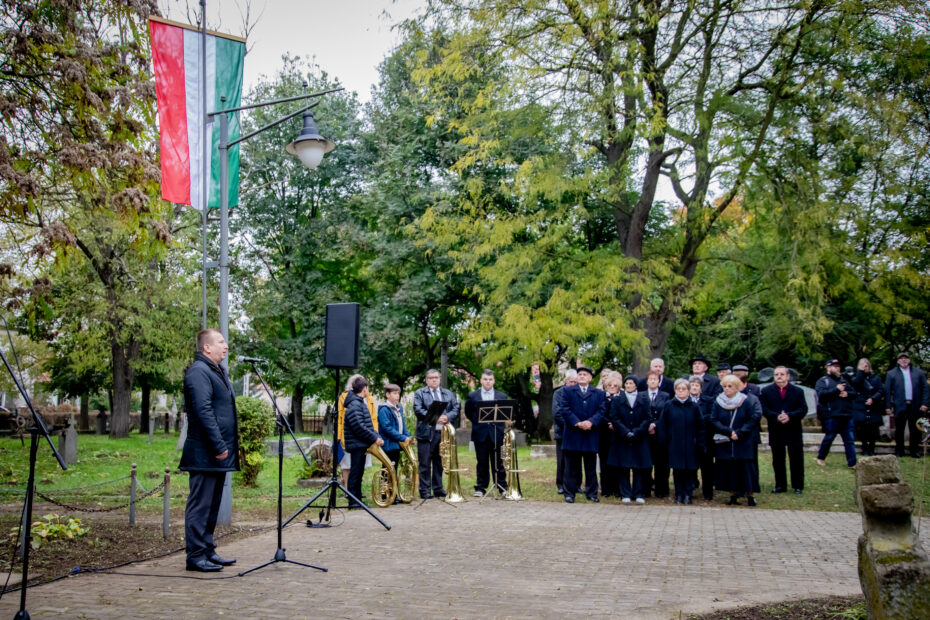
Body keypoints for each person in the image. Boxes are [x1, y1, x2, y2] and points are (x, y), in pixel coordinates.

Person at [180, 329, 240, 572]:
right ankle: (195, 556)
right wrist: (218, 445)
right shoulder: (198, 372)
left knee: (213, 503)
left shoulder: (217, 371)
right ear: (206, 348)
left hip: (218, 453)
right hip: (205, 453)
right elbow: (203, 411)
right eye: (221, 342)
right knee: (201, 504)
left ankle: (207, 549)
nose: (226, 346)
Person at [711, 374, 760, 506]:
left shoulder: (745, 401)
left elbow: (753, 419)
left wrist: (740, 432)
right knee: (730, 469)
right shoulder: (718, 402)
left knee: (745, 468)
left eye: (730, 386)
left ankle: (750, 495)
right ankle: (733, 495)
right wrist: (728, 431)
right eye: (725, 386)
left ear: (737, 388)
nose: (727, 389)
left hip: (743, 440)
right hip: (726, 440)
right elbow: (714, 419)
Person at [561, 365, 607, 503]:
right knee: (571, 468)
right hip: (573, 434)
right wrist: (577, 422)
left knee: (590, 467)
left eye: (585, 375)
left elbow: (602, 410)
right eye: (580, 374)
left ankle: (591, 493)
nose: (582, 376)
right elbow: (564, 409)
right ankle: (569, 493)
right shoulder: (567, 391)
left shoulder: (598, 393)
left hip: (590, 435)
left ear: (590, 378)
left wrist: (591, 422)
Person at [413, 369, 460, 499]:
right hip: (426, 434)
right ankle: (425, 490)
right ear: (427, 380)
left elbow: (456, 408)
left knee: (439, 462)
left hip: (442, 433)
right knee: (425, 463)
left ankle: (438, 488)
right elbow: (418, 409)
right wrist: (435, 418)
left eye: (436, 377)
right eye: (431, 378)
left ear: (439, 379)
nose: (434, 380)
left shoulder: (447, 393)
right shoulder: (420, 393)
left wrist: (448, 417)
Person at [759, 366, 806, 494]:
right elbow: (764, 409)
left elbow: (803, 409)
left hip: (793, 428)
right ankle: (780, 485)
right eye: (776, 374)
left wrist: (789, 416)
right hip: (776, 429)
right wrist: (776, 416)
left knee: (796, 458)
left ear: (788, 376)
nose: (779, 377)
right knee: (778, 459)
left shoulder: (798, 391)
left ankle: (798, 485)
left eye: (781, 374)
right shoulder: (766, 391)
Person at [657, 379, 705, 504]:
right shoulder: (668, 405)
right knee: (677, 470)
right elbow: (662, 424)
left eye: (684, 389)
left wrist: (700, 443)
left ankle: (688, 494)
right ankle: (679, 494)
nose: (681, 391)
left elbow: (700, 426)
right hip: (674, 444)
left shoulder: (694, 407)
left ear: (689, 391)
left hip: (690, 444)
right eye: (679, 389)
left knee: (689, 470)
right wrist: (664, 442)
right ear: (675, 391)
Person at [606, 374, 651, 503]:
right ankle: (625, 493)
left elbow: (648, 417)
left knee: (638, 466)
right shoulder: (618, 399)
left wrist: (637, 432)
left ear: (636, 385)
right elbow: (614, 417)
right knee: (623, 466)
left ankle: (638, 493)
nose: (628, 386)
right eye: (626, 383)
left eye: (631, 383)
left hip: (639, 438)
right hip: (622, 437)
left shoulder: (644, 398)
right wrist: (625, 432)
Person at [465, 369, 509, 497]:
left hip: (497, 433)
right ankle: (481, 487)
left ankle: (502, 486)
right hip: (480, 433)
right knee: (482, 461)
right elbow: (469, 412)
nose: (488, 382)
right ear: (481, 380)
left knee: (499, 461)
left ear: (494, 381)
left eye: (490, 379)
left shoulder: (502, 396)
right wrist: (478, 422)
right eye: (485, 379)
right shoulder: (473, 396)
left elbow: (504, 413)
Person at [343, 376, 383, 509]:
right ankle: (353, 501)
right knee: (355, 473)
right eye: (368, 388)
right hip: (357, 445)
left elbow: (367, 424)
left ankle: (357, 499)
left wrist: (375, 435)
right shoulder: (355, 405)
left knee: (359, 473)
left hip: (361, 444)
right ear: (364, 389)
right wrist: (374, 438)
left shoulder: (359, 403)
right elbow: (359, 426)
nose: (368, 391)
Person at [885, 352, 930, 458]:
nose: (904, 360)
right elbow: (887, 391)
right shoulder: (891, 374)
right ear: (898, 361)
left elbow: (925, 389)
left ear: (909, 360)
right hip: (899, 405)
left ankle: (914, 451)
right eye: (901, 358)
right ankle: (899, 451)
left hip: (915, 405)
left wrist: (925, 403)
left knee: (915, 429)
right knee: (899, 429)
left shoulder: (919, 373)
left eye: (906, 358)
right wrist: (888, 406)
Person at [815, 359, 858, 468]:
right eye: (834, 366)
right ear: (828, 367)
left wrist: (847, 394)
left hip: (847, 415)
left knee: (849, 441)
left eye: (838, 366)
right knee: (829, 438)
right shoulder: (823, 381)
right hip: (832, 415)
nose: (837, 368)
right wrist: (836, 390)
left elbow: (854, 393)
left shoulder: (844, 380)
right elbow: (821, 395)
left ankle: (852, 463)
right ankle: (821, 457)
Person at [337, 373, 374, 489]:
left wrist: (374, 434)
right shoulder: (353, 402)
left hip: (364, 439)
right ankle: (352, 495)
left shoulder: (365, 399)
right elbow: (355, 423)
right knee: (353, 468)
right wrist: (374, 437)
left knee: (359, 469)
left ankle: (356, 495)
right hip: (355, 440)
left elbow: (372, 418)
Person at [377, 383, 412, 486]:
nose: (397, 396)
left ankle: (393, 493)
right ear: (388, 395)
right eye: (395, 393)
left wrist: (408, 436)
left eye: (398, 393)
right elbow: (387, 428)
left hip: (396, 444)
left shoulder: (398, 408)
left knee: (394, 468)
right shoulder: (384, 409)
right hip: (388, 444)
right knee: (388, 470)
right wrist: (402, 437)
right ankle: (385, 495)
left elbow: (402, 426)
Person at [643, 370, 671, 498]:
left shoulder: (665, 396)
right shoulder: (641, 395)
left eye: (655, 379)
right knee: (646, 463)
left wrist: (655, 424)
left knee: (661, 464)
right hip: (645, 434)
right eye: (651, 379)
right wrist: (647, 425)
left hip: (660, 434)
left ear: (659, 382)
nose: (653, 381)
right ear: (647, 381)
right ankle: (645, 489)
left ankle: (661, 490)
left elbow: (665, 413)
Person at [689, 375, 716, 500]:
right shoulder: (684, 400)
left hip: (705, 438)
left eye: (697, 385)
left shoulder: (709, 400)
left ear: (701, 388)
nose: (694, 387)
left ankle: (708, 492)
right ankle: (690, 488)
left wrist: (696, 419)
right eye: (692, 385)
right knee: (690, 466)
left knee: (707, 467)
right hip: (688, 439)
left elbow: (711, 416)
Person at [552, 369, 578, 495]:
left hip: (577, 432)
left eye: (575, 381)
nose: (573, 384)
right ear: (565, 381)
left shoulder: (579, 393)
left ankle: (576, 485)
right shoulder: (558, 393)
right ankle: (561, 484)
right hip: (562, 432)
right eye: (570, 381)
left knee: (576, 460)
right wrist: (571, 425)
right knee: (562, 460)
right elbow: (557, 413)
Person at [852, 359, 884, 457]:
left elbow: (880, 390)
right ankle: (864, 448)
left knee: (873, 429)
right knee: (862, 429)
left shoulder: (876, 377)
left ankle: (872, 448)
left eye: (866, 366)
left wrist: (873, 398)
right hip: (861, 406)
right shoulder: (856, 377)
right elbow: (856, 385)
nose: (864, 367)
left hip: (873, 406)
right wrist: (860, 372)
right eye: (862, 366)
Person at [598, 371, 623, 498]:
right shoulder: (601, 396)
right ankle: (606, 489)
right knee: (604, 462)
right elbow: (599, 412)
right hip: (604, 433)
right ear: (606, 386)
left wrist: (616, 424)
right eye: (610, 385)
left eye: (615, 385)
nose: (612, 387)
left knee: (618, 462)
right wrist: (608, 423)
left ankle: (618, 489)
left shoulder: (622, 397)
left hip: (618, 434)